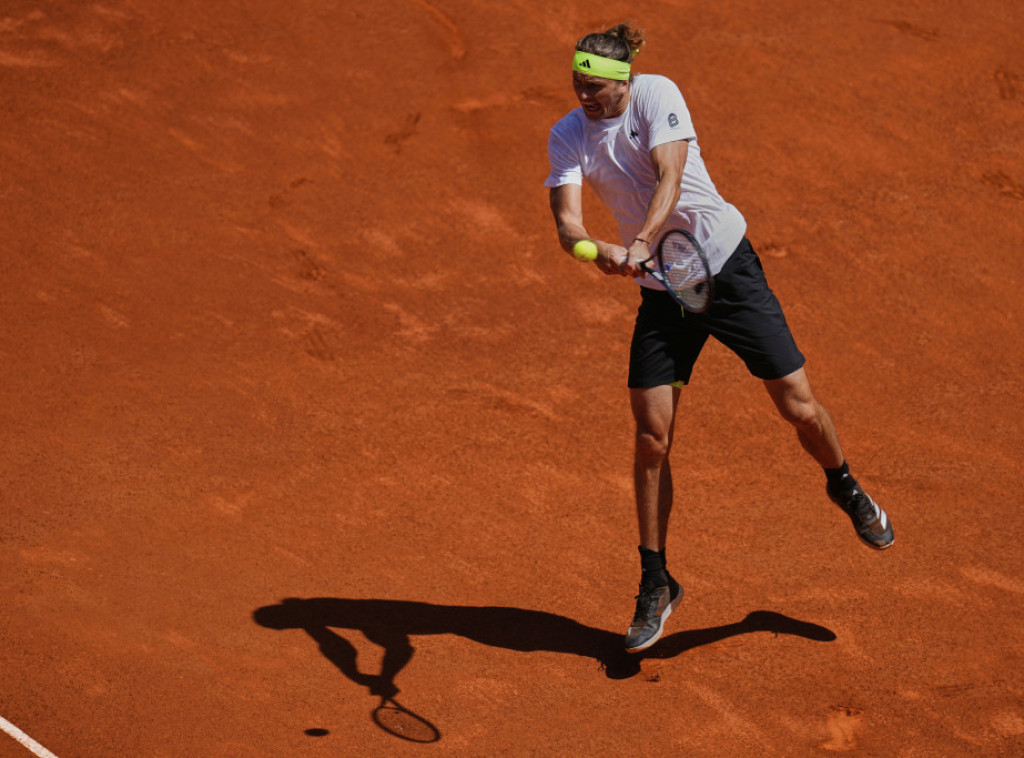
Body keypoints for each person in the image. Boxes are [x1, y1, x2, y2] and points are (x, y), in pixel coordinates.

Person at [544, 24, 894, 654]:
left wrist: (641, 242)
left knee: (799, 408)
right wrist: (590, 248)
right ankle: (656, 580)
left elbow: (670, 178)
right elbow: (567, 222)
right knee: (651, 438)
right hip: (662, 295)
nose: (583, 95)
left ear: (623, 82)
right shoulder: (567, 133)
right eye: (577, 83)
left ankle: (842, 482)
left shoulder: (657, 95)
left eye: (594, 86)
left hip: (725, 270)